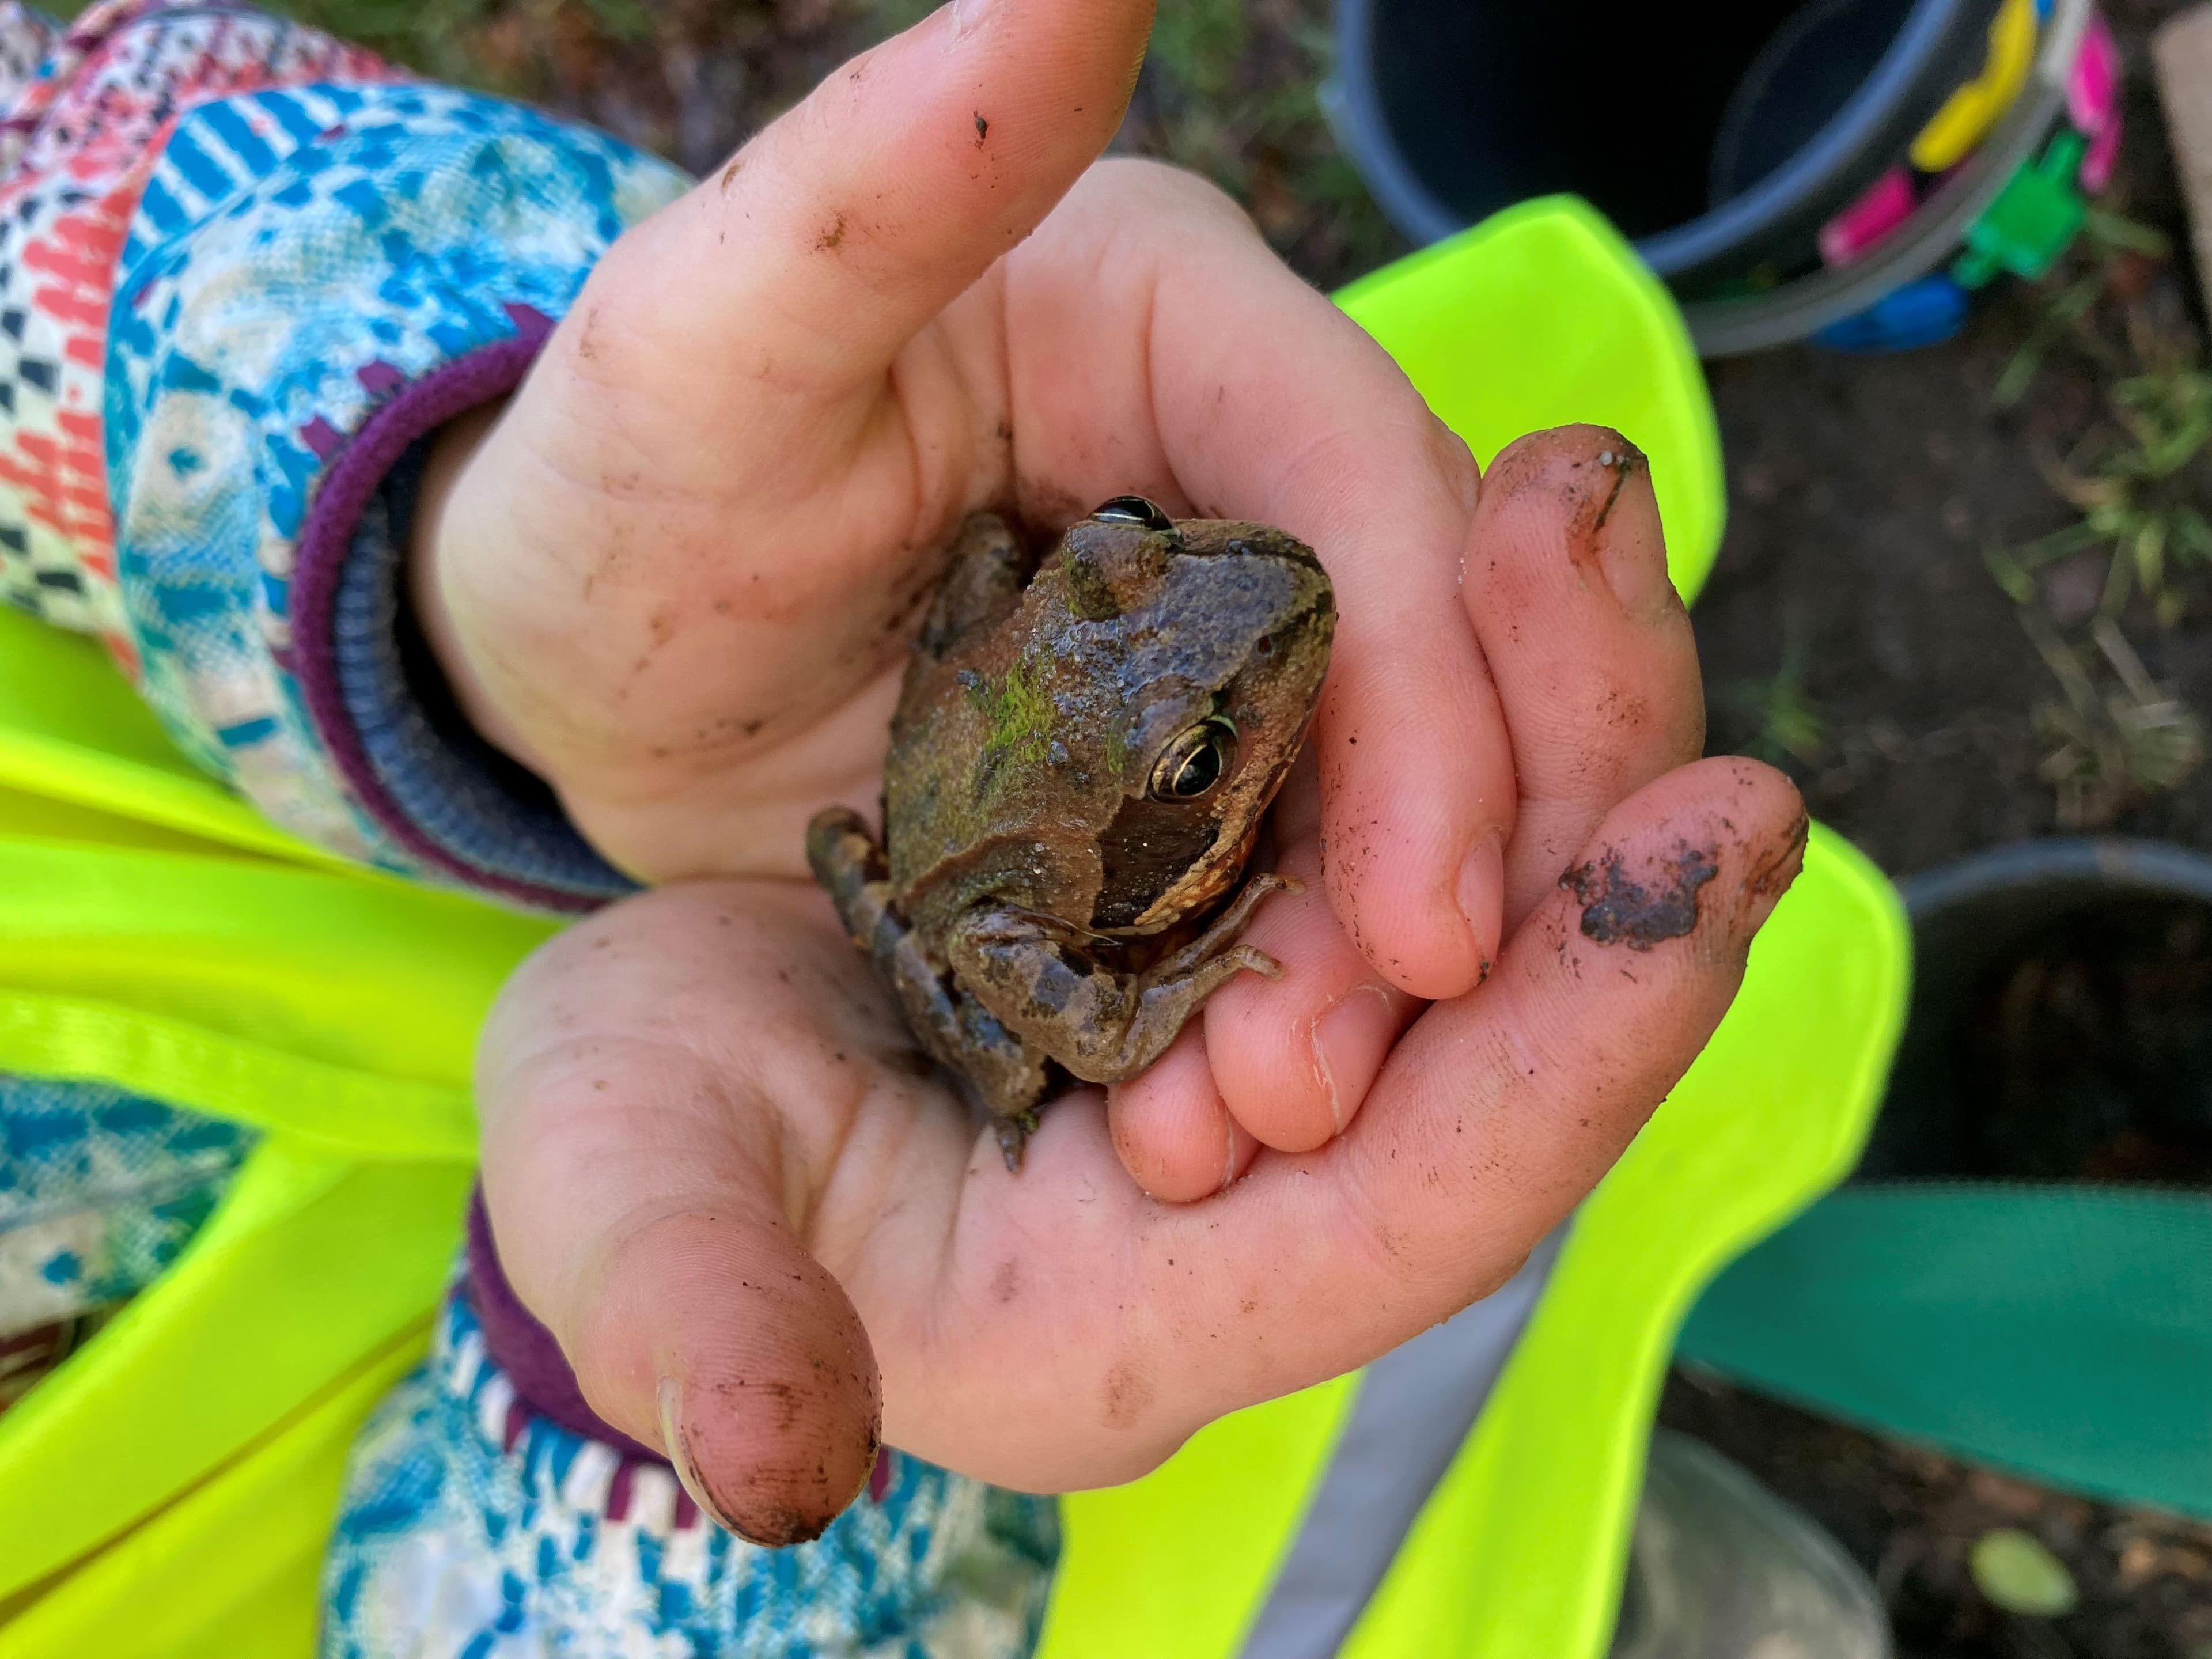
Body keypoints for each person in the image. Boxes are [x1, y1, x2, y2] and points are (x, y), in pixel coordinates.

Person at [0, 0, 1807, 1650]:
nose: (1246, 599)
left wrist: (429, 533)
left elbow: (54, 145)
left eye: (1124, 553)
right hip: (962, 1141)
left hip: (702, 752)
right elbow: (1058, 990)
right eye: (1206, 747)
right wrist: (1125, 1016)